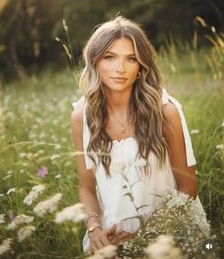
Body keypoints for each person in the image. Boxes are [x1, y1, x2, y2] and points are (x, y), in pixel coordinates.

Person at [71, 16, 205, 255]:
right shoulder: (82, 116)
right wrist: (94, 229)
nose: (120, 68)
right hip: (111, 231)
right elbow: (87, 188)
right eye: (110, 57)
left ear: (141, 66)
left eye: (130, 59)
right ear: (95, 61)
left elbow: (188, 189)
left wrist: (144, 235)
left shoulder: (165, 111)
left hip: (171, 226)